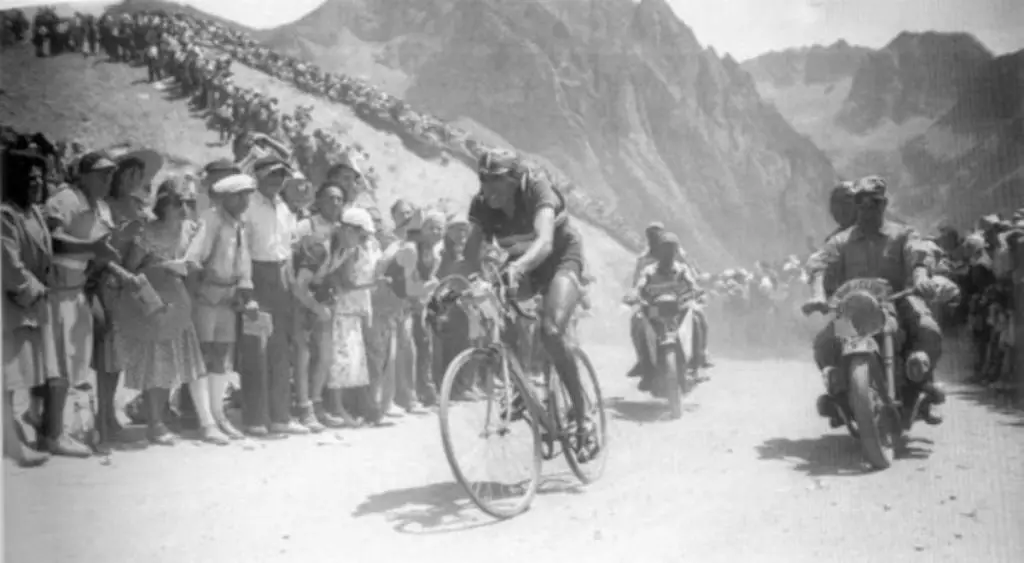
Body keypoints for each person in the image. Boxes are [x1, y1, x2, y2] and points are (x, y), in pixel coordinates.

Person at [461, 149, 595, 460]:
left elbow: (545, 241)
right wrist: (455, 287)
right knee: (501, 318)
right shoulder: (483, 204)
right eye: (483, 179)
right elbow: (469, 255)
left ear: (515, 179)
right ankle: (524, 388)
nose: (488, 187)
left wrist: (519, 267)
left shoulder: (537, 189)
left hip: (560, 258)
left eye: (497, 180)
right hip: (520, 263)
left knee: (550, 332)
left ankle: (582, 413)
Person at [803, 176, 945, 427]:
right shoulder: (840, 240)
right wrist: (817, 294)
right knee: (824, 344)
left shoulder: (902, 234)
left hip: (897, 301)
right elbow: (820, 264)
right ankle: (839, 394)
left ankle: (923, 385)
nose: (868, 209)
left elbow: (919, 252)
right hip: (855, 309)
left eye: (875, 202)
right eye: (861, 202)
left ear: (885, 203)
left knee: (927, 329)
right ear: (855, 205)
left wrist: (921, 275)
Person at [115, 178, 205, 446]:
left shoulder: (190, 229)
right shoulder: (147, 232)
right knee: (156, 364)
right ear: (163, 204)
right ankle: (155, 423)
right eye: (178, 202)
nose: (184, 208)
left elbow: (197, 261)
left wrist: (189, 269)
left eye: (187, 203)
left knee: (171, 365)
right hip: (151, 303)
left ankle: (160, 417)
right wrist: (160, 268)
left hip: (177, 302)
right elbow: (129, 271)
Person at [184, 173, 259, 443]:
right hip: (206, 297)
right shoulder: (211, 220)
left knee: (220, 356)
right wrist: (195, 296)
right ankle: (206, 420)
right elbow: (193, 261)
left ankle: (219, 414)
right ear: (226, 197)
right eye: (239, 195)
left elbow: (243, 263)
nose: (244, 201)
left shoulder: (240, 225)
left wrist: (244, 291)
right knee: (202, 355)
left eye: (247, 195)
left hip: (228, 298)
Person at [627, 233, 706, 393]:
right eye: (665, 250)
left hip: (679, 309)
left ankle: (698, 361)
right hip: (655, 310)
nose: (668, 254)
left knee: (698, 316)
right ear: (659, 252)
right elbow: (640, 284)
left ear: (676, 252)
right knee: (637, 320)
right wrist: (635, 294)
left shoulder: (682, 270)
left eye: (672, 250)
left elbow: (692, 284)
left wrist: (698, 292)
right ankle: (644, 364)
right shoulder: (649, 271)